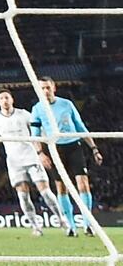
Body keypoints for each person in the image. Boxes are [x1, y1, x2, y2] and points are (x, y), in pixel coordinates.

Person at [0, 88, 66, 236]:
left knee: (45, 192)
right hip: (14, 162)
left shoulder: (24, 114)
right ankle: (36, 227)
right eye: (1, 98)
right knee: (23, 195)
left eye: (7, 98)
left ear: (12, 99)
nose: (5, 100)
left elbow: (38, 131)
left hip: (31, 157)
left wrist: (42, 151)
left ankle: (62, 220)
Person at [31, 76, 103, 237]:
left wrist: (94, 148)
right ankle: (71, 226)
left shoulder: (66, 104)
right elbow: (34, 135)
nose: (45, 91)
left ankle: (88, 224)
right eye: (42, 88)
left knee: (83, 184)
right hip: (55, 150)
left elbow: (80, 126)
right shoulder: (37, 109)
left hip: (73, 146)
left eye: (48, 87)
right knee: (61, 188)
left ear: (53, 88)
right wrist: (40, 153)